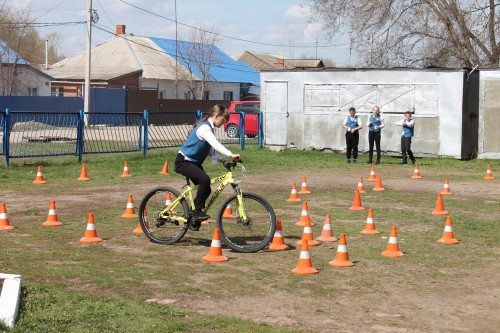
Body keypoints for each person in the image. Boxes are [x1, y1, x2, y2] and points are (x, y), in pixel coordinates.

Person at [174, 104, 240, 231]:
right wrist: (231, 154)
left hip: (193, 163)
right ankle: (197, 213)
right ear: (216, 116)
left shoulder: (209, 128)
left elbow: (209, 149)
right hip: (183, 162)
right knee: (205, 180)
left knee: (207, 189)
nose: (224, 123)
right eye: (223, 120)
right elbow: (215, 144)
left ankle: (192, 216)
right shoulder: (204, 128)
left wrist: (222, 161)